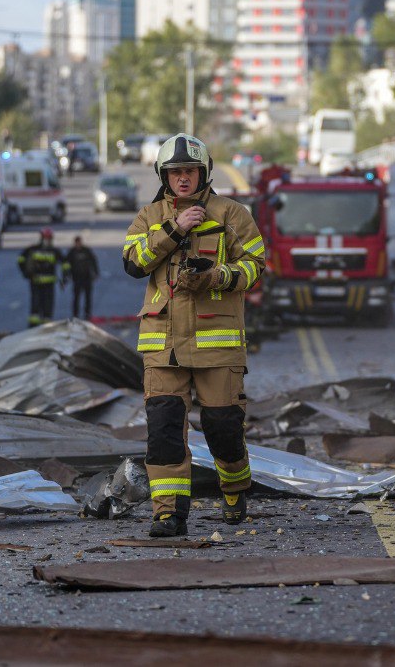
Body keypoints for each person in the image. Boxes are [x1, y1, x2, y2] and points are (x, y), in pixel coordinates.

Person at [123, 133, 265, 538]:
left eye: (190, 171)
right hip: (163, 345)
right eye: (174, 172)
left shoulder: (232, 214)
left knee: (223, 429)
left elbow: (255, 265)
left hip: (216, 342)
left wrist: (218, 276)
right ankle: (168, 514)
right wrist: (174, 228)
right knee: (164, 430)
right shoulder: (149, 216)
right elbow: (133, 262)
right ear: (163, 176)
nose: (182, 178)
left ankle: (234, 489)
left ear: (203, 173)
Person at [17, 228, 60, 327]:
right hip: (38, 282)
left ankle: (44, 324)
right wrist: (26, 272)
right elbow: (21, 259)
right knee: (37, 303)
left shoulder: (52, 250)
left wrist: (66, 275)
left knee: (44, 304)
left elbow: (64, 262)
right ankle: (36, 325)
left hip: (44, 282)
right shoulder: (35, 249)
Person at [62, 235, 99, 320]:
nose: (78, 244)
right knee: (76, 297)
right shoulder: (71, 252)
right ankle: (75, 314)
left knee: (88, 297)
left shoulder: (86, 251)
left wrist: (96, 272)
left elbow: (93, 261)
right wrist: (65, 277)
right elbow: (66, 265)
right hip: (77, 278)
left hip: (87, 277)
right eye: (77, 243)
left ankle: (87, 313)